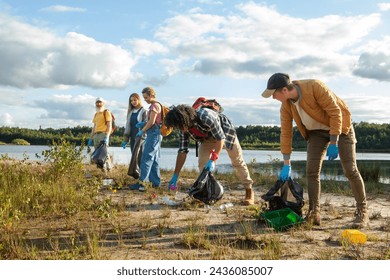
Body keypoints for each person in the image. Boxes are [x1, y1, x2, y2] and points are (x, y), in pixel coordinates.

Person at [261, 73, 368, 228]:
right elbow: (286, 132)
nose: (273, 98)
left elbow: (335, 112)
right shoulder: (286, 105)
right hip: (316, 132)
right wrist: (286, 163)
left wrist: (333, 141)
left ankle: (362, 212)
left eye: (273, 94)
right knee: (311, 171)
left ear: (284, 90)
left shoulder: (314, 87)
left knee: (350, 170)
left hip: (341, 129)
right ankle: (314, 212)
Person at [164, 104, 255, 205]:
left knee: (237, 161)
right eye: (178, 127)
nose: (181, 129)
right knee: (203, 166)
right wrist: (175, 175)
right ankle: (209, 193)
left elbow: (220, 139)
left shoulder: (205, 116)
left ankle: (249, 190)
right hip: (207, 139)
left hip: (225, 133)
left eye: (181, 126)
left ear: (186, 119)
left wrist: (213, 159)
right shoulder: (183, 129)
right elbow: (182, 151)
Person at [128, 87, 163, 191]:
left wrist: (142, 130)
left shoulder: (154, 106)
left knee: (145, 159)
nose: (145, 100)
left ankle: (142, 184)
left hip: (154, 135)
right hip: (155, 134)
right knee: (154, 160)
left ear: (152, 95)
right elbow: (153, 121)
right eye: (144, 97)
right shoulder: (155, 105)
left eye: (146, 97)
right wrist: (143, 123)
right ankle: (155, 183)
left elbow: (152, 122)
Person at [88, 97, 113, 170]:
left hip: (103, 134)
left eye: (100, 102)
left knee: (105, 153)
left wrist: (107, 136)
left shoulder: (106, 112)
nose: (98, 104)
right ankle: (101, 170)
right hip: (96, 135)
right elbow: (94, 127)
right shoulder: (96, 114)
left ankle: (109, 168)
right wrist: (90, 138)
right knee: (97, 154)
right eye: (97, 102)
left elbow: (109, 125)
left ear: (103, 103)